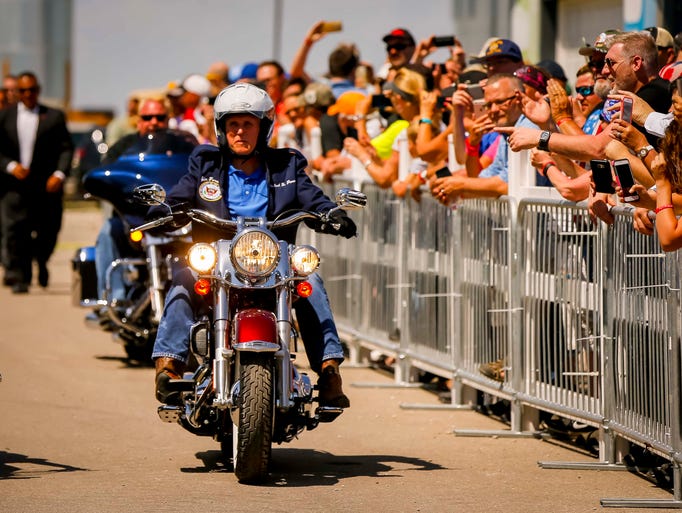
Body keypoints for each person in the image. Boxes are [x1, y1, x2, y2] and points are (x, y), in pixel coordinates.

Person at [151, 83, 356, 409]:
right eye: (232, 124)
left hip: (275, 260)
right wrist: (165, 210)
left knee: (311, 281)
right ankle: (169, 366)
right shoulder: (205, 163)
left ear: (264, 127)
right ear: (221, 128)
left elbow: (312, 197)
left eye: (248, 123)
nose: (240, 132)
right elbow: (180, 194)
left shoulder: (286, 165)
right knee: (184, 278)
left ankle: (329, 371)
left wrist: (332, 213)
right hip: (217, 258)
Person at [92, 97, 197, 308]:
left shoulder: (183, 142)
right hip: (133, 217)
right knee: (107, 232)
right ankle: (114, 298)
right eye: (147, 117)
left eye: (160, 117)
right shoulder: (125, 146)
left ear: (168, 119)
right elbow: (106, 172)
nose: (153, 122)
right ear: (138, 120)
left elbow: (199, 168)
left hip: (173, 216)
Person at [0, 71, 73, 293]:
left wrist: (59, 175)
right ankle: (21, 276)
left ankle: (41, 261)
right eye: (23, 90)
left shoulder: (54, 116)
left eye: (32, 90)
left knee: (48, 231)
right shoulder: (5, 117)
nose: (28, 94)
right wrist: (11, 166)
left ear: (38, 91)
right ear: (17, 92)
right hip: (15, 186)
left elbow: (66, 148)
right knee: (16, 231)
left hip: (45, 186)